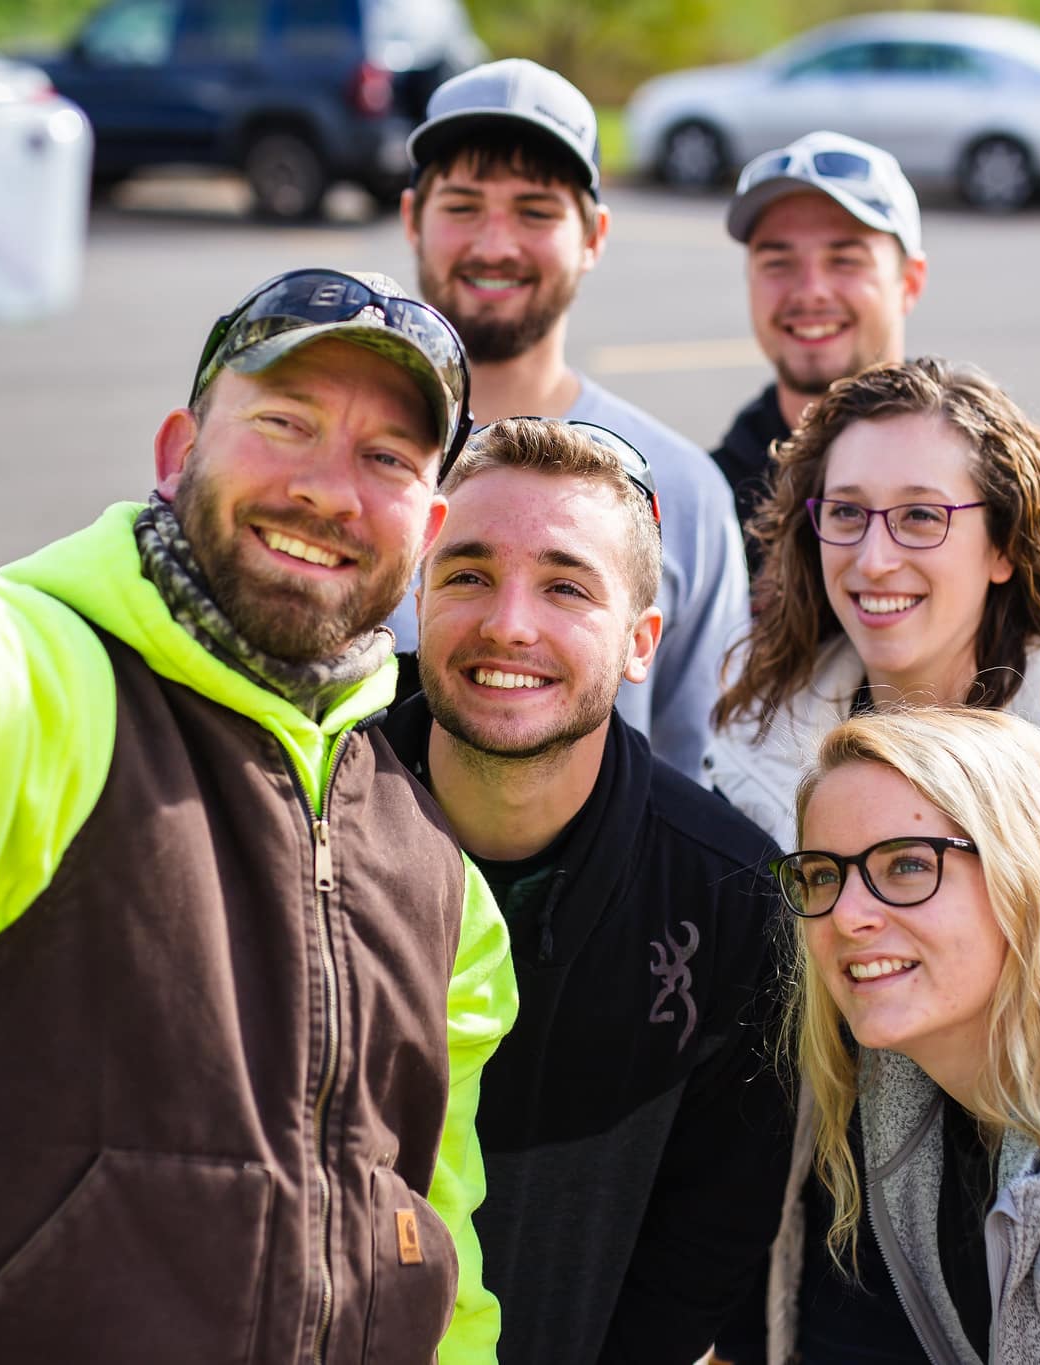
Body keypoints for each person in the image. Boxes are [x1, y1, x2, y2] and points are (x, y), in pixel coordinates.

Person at [0, 267, 518, 1364]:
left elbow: (440, 1264)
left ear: (429, 525)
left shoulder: (443, 888)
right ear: (175, 452)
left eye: (386, 458)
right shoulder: (38, 698)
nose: (330, 492)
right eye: (286, 423)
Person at [707, 355, 1040, 1365]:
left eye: (921, 516)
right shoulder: (765, 735)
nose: (874, 557)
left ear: (1005, 544)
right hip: (848, 1235)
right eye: (845, 513)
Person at [382, 417, 791, 1363]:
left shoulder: (733, 904)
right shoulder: (300, 824)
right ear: (419, 594)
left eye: (565, 585)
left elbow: (704, 1247)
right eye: (468, 573)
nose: (508, 623)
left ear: (641, 640)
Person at [776, 706, 1040, 1363]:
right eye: (823, 873)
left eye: (907, 865)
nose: (849, 913)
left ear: (1028, 876)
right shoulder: (905, 1081)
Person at [393, 56, 749, 782]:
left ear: (593, 235)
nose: (494, 244)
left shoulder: (679, 489)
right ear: (411, 220)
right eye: (462, 206)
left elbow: (699, 772)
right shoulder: (346, 471)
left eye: (534, 211)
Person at [711, 130, 928, 581]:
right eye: (778, 262)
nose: (809, 292)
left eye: (844, 260)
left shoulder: (993, 478)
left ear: (909, 282)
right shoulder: (704, 503)